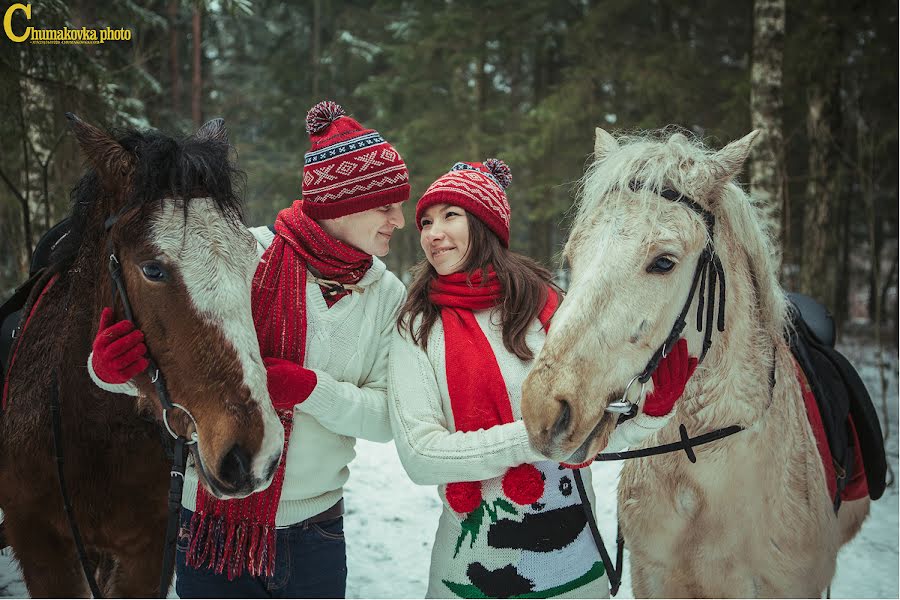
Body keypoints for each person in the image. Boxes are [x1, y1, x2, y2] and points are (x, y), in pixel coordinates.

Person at [87, 100, 409, 598]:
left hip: (315, 533)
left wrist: (308, 388)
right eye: (387, 206)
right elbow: (176, 351)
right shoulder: (243, 254)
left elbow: (387, 418)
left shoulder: (387, 296)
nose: (400, 220)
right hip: (214, 529)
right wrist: (108, 369)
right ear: (342, 205)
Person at [388, 158, 698, 598]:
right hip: (467, 577)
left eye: (449, 216)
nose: (431, 233)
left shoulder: (555, 309)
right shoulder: (417, 327)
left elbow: (594, 430)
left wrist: (651, 414)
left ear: (485, 225)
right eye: (425, 222)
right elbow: (421, 455)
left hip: (579, 577)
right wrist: (536, 436)